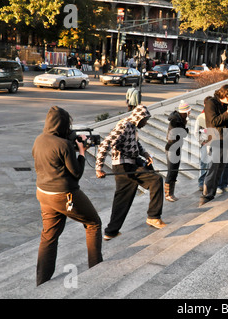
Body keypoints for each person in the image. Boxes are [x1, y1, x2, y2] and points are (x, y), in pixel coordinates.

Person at [32, 106, 103, 286]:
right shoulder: (63, 145)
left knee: (49, 236)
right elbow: (76, 172)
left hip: (43, 194)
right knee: (93, 223)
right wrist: (81, 150)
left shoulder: (39, 140)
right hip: (64, 194)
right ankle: (97, 268)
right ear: (63, 124)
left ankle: (42, 281)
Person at [95, 105, 166, 240]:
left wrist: (145, 154)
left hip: (130, 164)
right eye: (145, 120)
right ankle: (153, 217)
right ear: (139, 118)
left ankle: (111, 231)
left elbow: (135, 144)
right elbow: (105, 144)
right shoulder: (124, 125)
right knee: (154, 181)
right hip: (124, 167)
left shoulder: (132, 127)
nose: (146, 123)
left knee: (124, 198)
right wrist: (99, 167)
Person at [199, 84, 228, 206]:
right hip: (216, 138)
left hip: (227, 138)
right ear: (224, 94)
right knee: (214, 168)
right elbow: (214, 122)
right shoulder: (211, 103)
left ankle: (211, 193)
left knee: (221, 168)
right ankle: (206, 195)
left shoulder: (226, 105)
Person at [164, 100, 191, 201]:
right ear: (185, 112)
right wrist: (185, 130)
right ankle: (168, 195)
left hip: (176, 147)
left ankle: (171, 193)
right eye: (188, 111)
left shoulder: (179, 120)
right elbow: (177, 135)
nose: (190, 113)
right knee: (171, 171)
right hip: (172, 148)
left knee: (174, 171)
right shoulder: (175, 121)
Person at [194, 108, 209, 191]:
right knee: (204, 164)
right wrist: (202, 142)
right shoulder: (201, 117)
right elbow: (196, 132)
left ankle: (207, 182)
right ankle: (201, 182)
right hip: (205, 143)